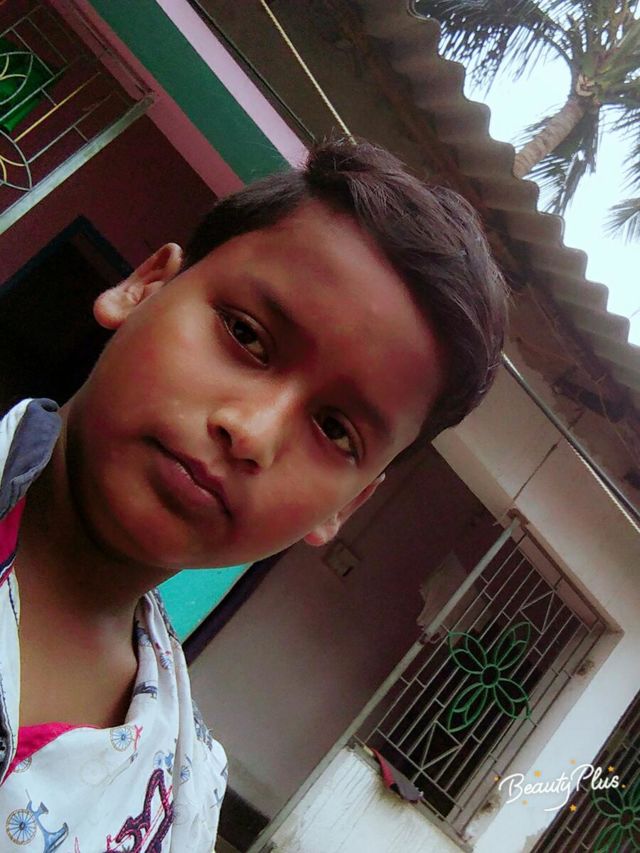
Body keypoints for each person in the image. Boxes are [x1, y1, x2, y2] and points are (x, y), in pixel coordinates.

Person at [0, 137, 508, 850]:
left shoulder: (181, 803)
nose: (251, 432)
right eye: (246, 334)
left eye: (335, 430)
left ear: (346, 505)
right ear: (144, 287)